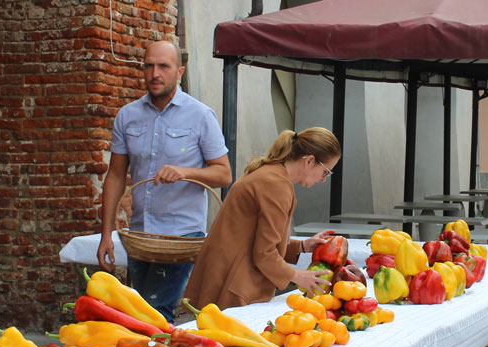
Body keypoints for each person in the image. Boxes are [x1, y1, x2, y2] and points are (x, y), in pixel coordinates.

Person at [96, 40, 232, 323]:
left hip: (180, 238)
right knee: (138, 314)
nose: (154, 73)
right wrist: (106, 234)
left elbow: (224, 174)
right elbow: (116, 176)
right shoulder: (127, 116)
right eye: (148, 66)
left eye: (163, 66)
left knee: (157, 315)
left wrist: (186, 171)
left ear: (179, 72)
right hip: (140, 236)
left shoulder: (201, 116)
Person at [183, 127, 340, 309]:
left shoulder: (271, 173)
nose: (323, 179)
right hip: (233, 284)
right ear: (309, 161)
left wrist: (302, 246)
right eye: (326, 172)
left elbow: (254, 237)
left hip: (224, 274)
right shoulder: (277, 185)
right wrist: (298, 276)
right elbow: (264, 253)